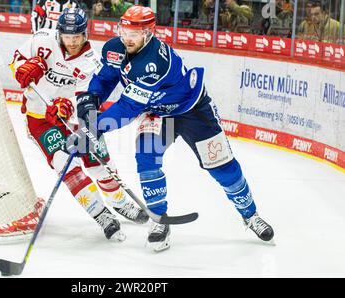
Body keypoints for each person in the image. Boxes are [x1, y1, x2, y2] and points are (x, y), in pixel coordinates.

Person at [72, 5, 274, 252]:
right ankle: (159, 221)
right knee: (147, 157)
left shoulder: (154, 62)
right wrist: (91, 97)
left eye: (134, 34)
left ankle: (250, 215)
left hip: (192, 111)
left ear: (148, 33)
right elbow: (106, 78)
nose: (127, 38)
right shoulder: (115, 47)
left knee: (221, 166)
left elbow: (126, 109)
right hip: (158, 113)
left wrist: (94, 126)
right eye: (124, 31)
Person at [12, 7, 149, 241]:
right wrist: (22, 69)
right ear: (59, 34)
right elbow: (16, 63)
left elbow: (86, 99)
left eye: (77, 36)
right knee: (66, 165)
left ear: (85, 34)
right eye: (67, 36)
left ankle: (119, 202)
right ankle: (101, 214)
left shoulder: (92, 62)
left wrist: (67, 108)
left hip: (75, 120)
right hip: (39, 120)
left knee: (100, 162)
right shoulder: (41, 40)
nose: (72, 42)